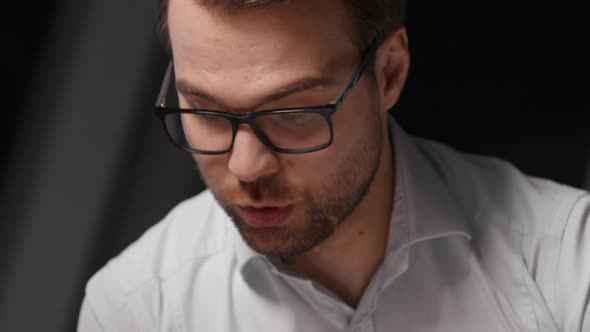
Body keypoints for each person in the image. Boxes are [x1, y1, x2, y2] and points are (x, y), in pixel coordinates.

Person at [77, 0, 589, 331]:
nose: (247, 165)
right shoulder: (136, 309)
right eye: (206, 113)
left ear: (389, 75)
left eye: (294, 113)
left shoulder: (566, 263)